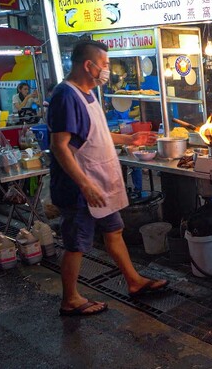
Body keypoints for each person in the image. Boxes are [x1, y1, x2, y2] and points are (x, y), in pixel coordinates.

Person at [47, 40, 168, 317]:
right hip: (80, 186)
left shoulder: (88, 94)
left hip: (99, 182)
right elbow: (59, 146)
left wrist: (129, 138)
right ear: (88, 65)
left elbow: (96, 134)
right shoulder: (65, 96)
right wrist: (85, 185)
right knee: (76, 244)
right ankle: (70, 299)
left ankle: (134, 282)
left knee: (114, 231)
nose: (107, 71)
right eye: (104, 65)